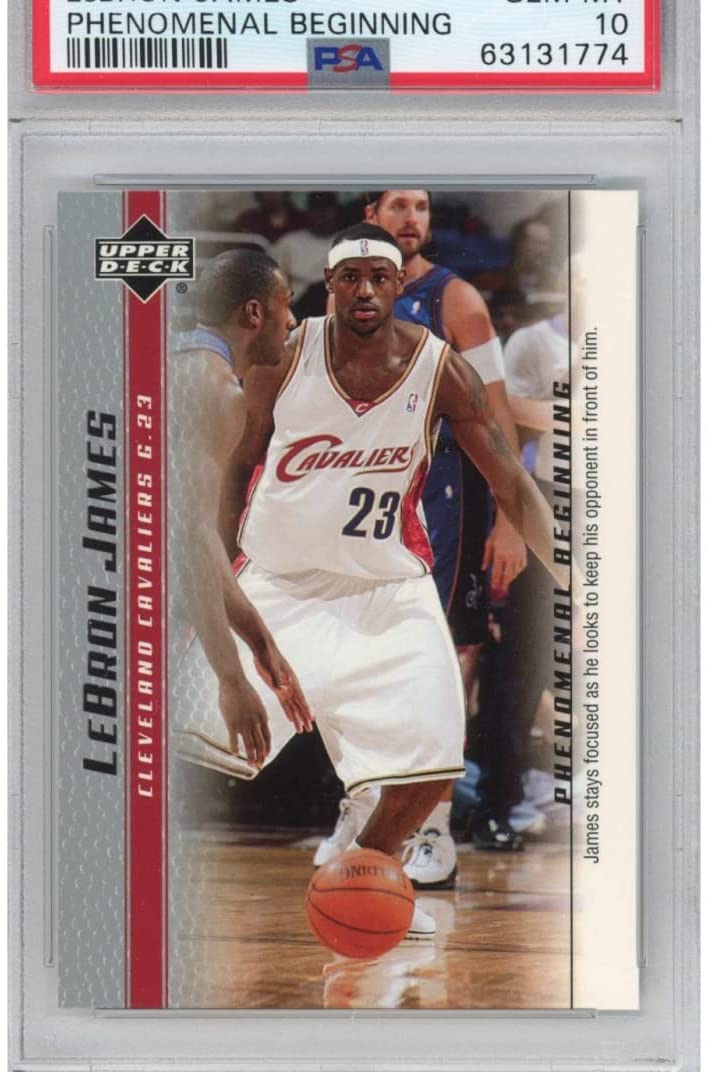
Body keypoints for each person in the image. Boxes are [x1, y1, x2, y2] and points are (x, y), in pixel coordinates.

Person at [175, 223, 566, 942]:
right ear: (329, 286)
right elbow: (231, 471)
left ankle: (362, 872)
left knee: (436, 758)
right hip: (279, 581)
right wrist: (219, 568)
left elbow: (511, 482)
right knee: (181, 740)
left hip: (386, 588)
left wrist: (574, 571)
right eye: (349, 278)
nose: (364, 290)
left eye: (378, 278)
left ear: (399, 285)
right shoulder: (280, 358)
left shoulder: (440, 369)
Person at [317, 191, 527, 883]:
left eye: (424, 207)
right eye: (400, 205)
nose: (414, 219)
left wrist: (509, 520)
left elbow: (497, 413)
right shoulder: (345, 301)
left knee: (440, 666)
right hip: (364, 508)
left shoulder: (455, 299)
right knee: (355, 665)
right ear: (370, 214)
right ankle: (363, 804)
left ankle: (432, 832)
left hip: (446, 508)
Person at [171, 247, 313, 776]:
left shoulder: (184, 363)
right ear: (254, 313)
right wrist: (230, 680)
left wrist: (260, 642)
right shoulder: (216, 389)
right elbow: (189, 542)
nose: (292, 321)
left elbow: (198, 540)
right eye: (286, 304)